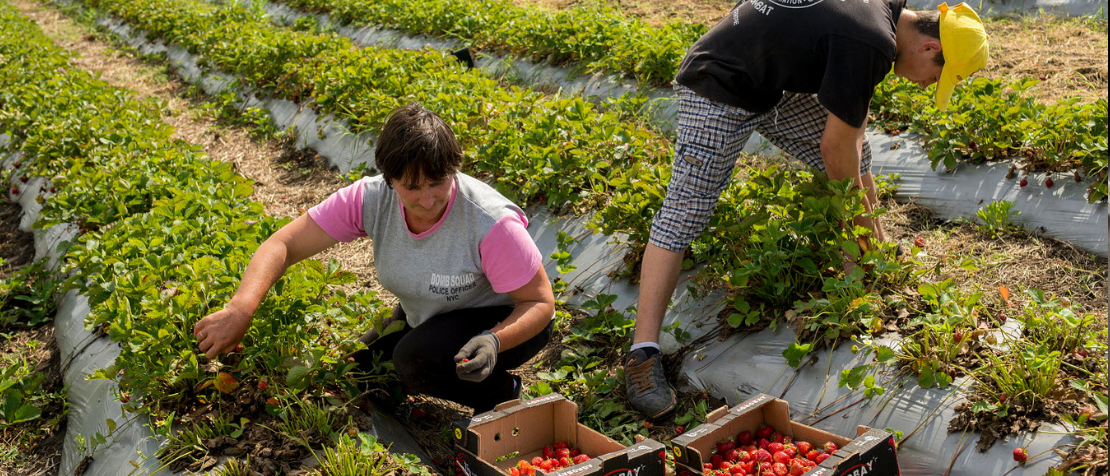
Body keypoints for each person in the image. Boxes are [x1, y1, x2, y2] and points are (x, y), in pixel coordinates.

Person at [623, 2, 989, 417]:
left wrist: (870, 246)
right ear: (927, 47)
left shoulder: (884, 11)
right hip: (720, 81)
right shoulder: (869, 40)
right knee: (684, 214)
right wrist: (857, 243)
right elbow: (835, 151)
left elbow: (851, 132)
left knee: (858, 153)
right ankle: (642, 354)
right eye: (938, 77)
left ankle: (878, 254)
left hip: (773, 80)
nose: (929, 86)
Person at [193, 103, 556, 413]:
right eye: (412, 187)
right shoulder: (370, 200)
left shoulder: (489, 222)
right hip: (430, 312)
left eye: (438, 181)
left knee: (415, 360)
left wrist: (493, 341)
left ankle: (502, 397)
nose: (428, 199)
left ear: (454, 168)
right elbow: (283, 245)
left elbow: (540, 303)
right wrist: (240, 309)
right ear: (389, 179)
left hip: (504, 320)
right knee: (359, 371)